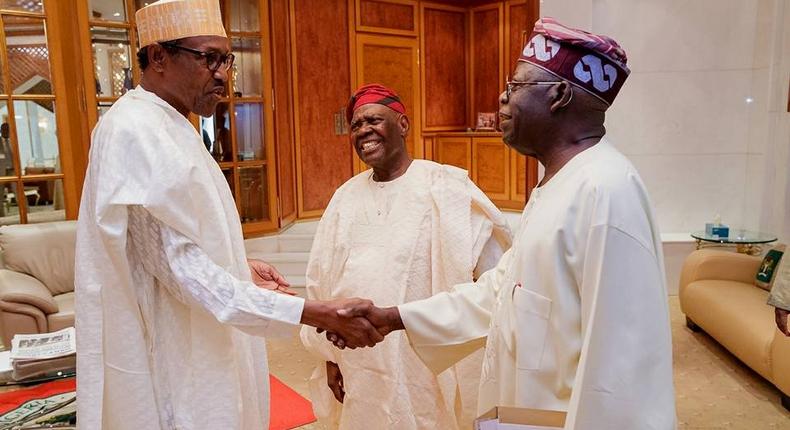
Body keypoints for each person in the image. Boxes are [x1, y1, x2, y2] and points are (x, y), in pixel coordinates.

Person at [333, 18, 676, 429]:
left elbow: (625, 374)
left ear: (559, 95)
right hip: (525, 415)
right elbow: (500, 292)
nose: (502, 98)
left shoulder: (606, 191)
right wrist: (396, 317)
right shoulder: (558, 185)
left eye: (515, 87)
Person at [75, 1, 382, 429]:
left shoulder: (171, 122)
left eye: (227, 59)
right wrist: (314, 313)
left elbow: (177, 246)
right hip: (176, 354)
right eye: (208, 58)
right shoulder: (134, 130)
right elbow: (185, 272)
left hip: (204, 334)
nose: (222, 73)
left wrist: (238, 266)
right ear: (158, 57)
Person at [300, 84, 512, 429]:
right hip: (360, 360)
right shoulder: (344, 197)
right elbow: (321, 279)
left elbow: (493, 274)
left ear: (402, 124)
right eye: (355, 125)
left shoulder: (447, 187)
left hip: (426, 359)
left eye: (373, 120)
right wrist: (329, 358)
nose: (363, 130)